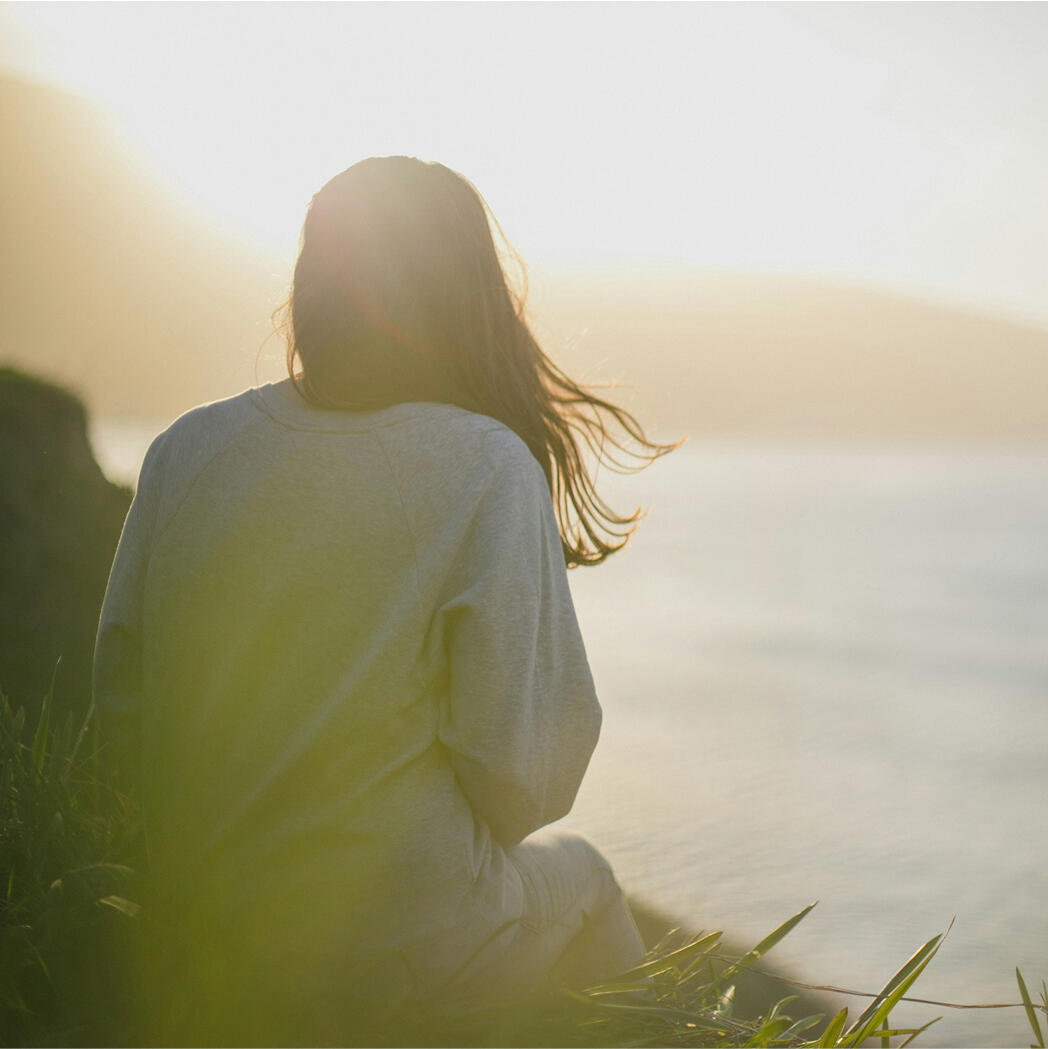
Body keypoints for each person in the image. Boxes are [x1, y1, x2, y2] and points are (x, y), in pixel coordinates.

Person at [93, 156, 674, 1044]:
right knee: (587, 880)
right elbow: (527, 780)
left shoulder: (185, 449)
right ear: (467, 297)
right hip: (391, 949)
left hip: (200, 930)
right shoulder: (483, 465)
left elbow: (122, 721)